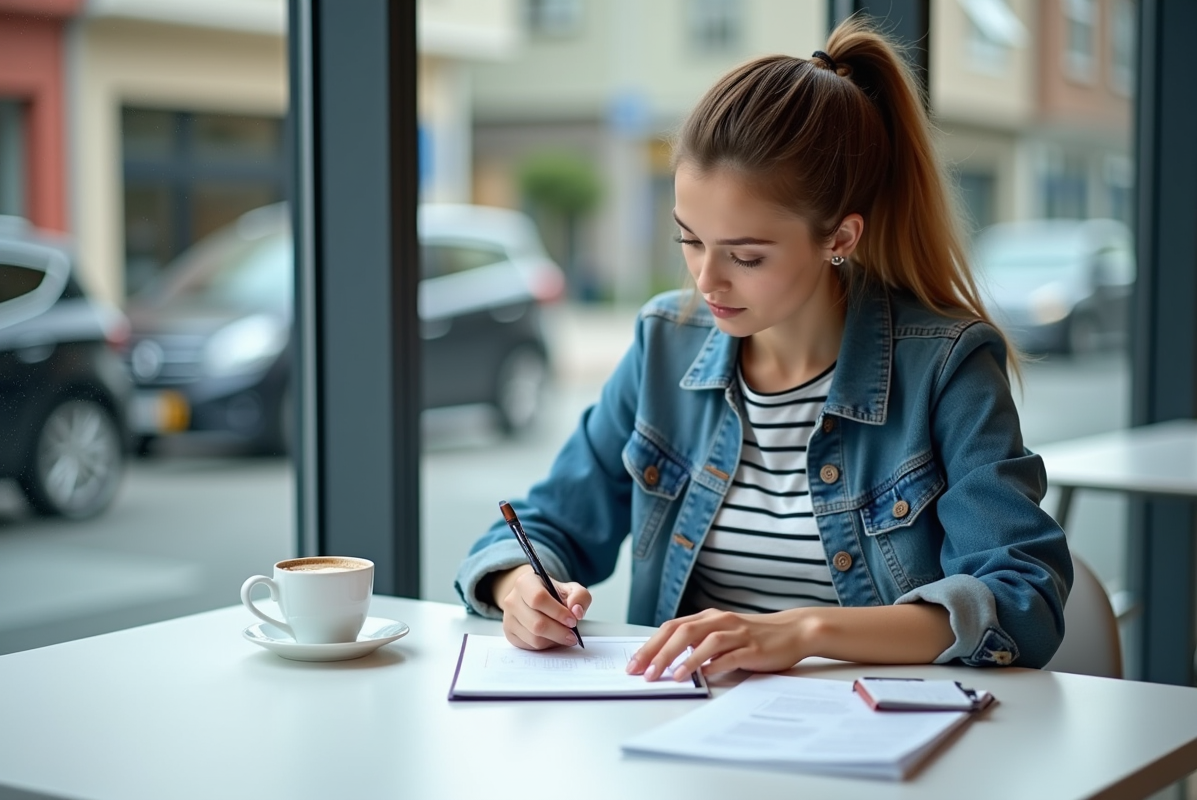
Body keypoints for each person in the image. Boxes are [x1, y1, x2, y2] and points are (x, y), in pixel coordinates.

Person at [454, 17, 1072, 682]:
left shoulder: (945, 366)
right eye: (689, 240)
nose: (705, 280)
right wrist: (517, 588)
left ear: (839, 237)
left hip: (878, 748)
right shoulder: (665, 341)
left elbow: (1022, 597)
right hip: (686, 735)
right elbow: (545, 521)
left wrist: (803, 632)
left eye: (745, 255)